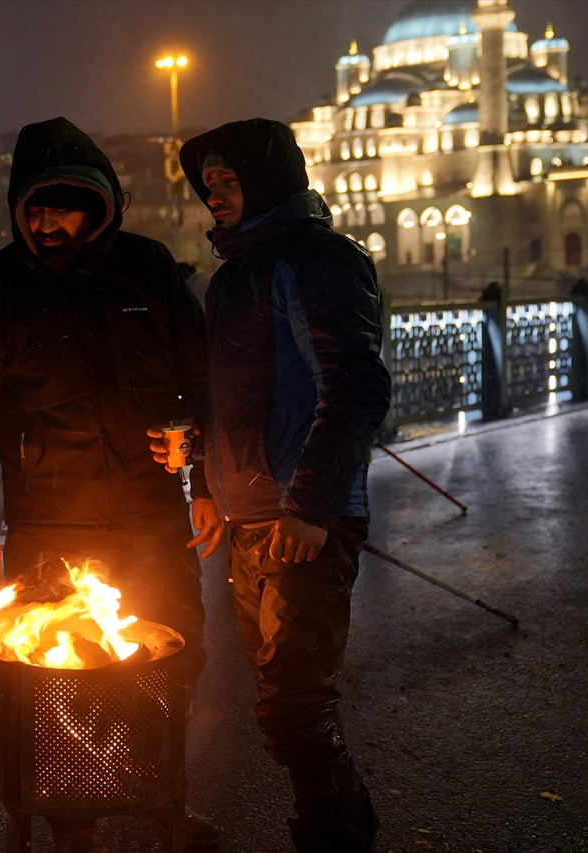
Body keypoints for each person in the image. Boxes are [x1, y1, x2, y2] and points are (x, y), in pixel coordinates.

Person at [0, 116, 222, 848]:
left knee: (173, 660)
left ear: (96, 207)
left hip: (152, 517)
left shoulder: (148, 268)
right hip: (49, 527)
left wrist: (205, 476)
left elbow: (200, 379)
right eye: (33, 209)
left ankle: (165, 802)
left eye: (61, 209)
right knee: (58, 682)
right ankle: (74, 827)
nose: (45, 224)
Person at [158, 118, 392, 852]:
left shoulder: (318, 260)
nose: (215, 196)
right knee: (281, 696)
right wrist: (205, 485)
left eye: (229, 181)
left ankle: (339, 835)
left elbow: (353, 385)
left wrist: (313, 506)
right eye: (208, 184)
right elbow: (219, 399)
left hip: (302, 518)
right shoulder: (233, 278)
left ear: (268, 181)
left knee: (295, 703)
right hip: (251, 518)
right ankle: (333, 827)